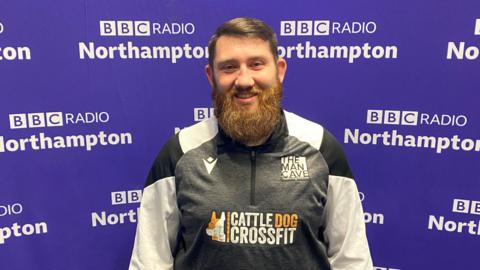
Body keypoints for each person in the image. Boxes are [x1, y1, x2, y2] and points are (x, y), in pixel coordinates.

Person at [129, 17, 373, 270]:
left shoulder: (321, 147)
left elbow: (352, 260)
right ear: (211, 76)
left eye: (256, 64)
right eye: (229, 67)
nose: (244, 81)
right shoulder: (180, 152)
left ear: (279, 70)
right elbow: (149, 261)